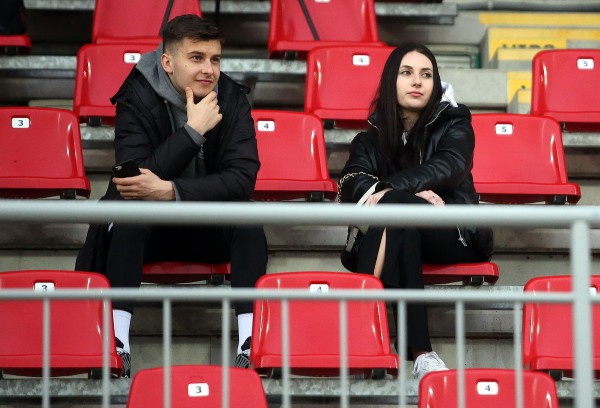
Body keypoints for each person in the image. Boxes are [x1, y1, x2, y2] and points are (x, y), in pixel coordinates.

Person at [75, 15, 267, 377]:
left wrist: (171, 191)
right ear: (167, 62)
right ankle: (117, 346)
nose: (209, 69)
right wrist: (193, 132)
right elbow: (134, 178)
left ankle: (251, 344)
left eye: (215, 59)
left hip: (206, 226)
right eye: (196, 58)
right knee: (130, 215)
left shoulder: (230, 97)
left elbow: (242, 179)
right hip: (149, 232)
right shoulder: (136, 94)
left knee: (249, 220)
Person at [337, 43, 493, 381]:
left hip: (452, 230)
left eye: (426, 74)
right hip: (402, 233)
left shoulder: (455, 122)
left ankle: (360, 327)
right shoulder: (369, 140)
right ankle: (422, 354)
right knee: (401, 223)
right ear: (391, 81)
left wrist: (390, 190)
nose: (417, 81)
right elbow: (350, 183)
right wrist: (405, 197)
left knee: (394, 206)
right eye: (407, 73)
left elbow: (451, 165)